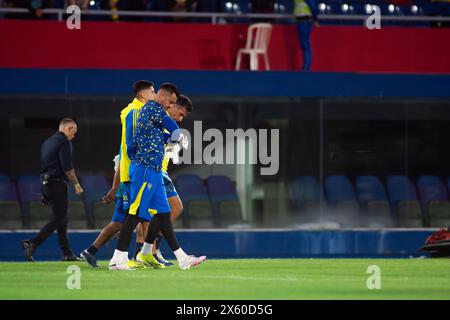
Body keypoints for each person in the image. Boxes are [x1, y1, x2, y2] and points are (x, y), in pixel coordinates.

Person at [109, 83, 205, 271]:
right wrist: (175, 141)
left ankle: (180, 258)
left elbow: (136, 143)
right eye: (170, 102)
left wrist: (163, 143)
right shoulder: (155, 108)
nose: (170, 106)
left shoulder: (147, 112)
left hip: (151, 169)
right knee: (134, 214)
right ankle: (117, 259)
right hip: (146, 169)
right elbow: (176, 131)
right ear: (161, 95)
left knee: (163, 213)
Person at [80, 80, 155, 268]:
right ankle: (135, 258)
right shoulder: (135, 112)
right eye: (153, 92)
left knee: (121, 221)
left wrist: (115, 187)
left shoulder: (132, 112)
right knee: (141, 218)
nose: (155, 96)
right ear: (144, 95)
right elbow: (129, 149)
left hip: (127, 177)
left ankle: (91, 251)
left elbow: (122, 152)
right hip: (133, 177)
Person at [21, 118, 84, 262]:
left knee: (62, 219)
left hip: (46, 183)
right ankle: (32, 243)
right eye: (73, 133)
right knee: (60, 218)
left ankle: (67, 253)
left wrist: (44, 192)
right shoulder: (64, 142)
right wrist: (76, 184)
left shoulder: (47, 142)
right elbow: (67, 168)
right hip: (57, 184)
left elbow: (45, 165)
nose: (73, 137)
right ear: (68, 129)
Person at [293, 0, 318, 72]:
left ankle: (307, 68)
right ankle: (305, 67)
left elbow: (313, 7)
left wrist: (315, 19)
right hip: (299, 21)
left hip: (305, 21)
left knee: (306, 44)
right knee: (303, 45)